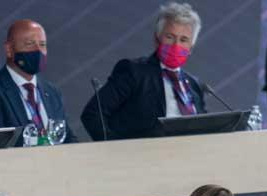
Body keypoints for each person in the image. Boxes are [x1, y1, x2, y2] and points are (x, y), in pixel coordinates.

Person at [80, 2, 207, 141]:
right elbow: (93, 114)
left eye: (183, 40)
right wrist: (115, 150)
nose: (176, 45)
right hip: (143, 158)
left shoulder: (194, 85)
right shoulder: (134, 72)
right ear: (156, 40)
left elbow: (206, 129)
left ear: (191, 48)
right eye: (170, 37)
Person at [0, 20, 77, 144]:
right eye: (29, 44)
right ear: (9, 49)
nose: (38, 51)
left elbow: (68, 138)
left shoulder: (52, 92)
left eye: (42, 44)